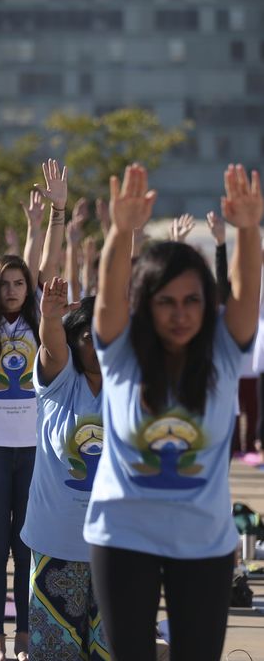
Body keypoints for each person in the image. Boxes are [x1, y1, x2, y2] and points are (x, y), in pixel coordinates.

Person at [89, 163, 261, 660]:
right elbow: (107, 300)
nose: (180, 313)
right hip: (122, 535)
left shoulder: (225, 352)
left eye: (192, 300)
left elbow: (246, 291)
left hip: (203, 540)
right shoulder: (119, 352)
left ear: (208, 304)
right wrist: (121, 233)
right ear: (145, 304)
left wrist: (248, 229)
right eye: (165, 301)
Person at [0, 159, 65, 661]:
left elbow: (50, 263)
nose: (11, 291)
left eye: (19, 285)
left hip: (33, 449)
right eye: (4, 284)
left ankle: (26, 633)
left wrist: (58, 213)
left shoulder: (37, 321)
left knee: (27, 545)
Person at [18, 284, 109, 660]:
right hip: (56, 545)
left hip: (116, 550)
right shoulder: (60, 382)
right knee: (57, 654)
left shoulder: (130, 387)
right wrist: (51, 317)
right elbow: (52, 345)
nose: (99, 347)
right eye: (89, 338)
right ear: (74, 341)